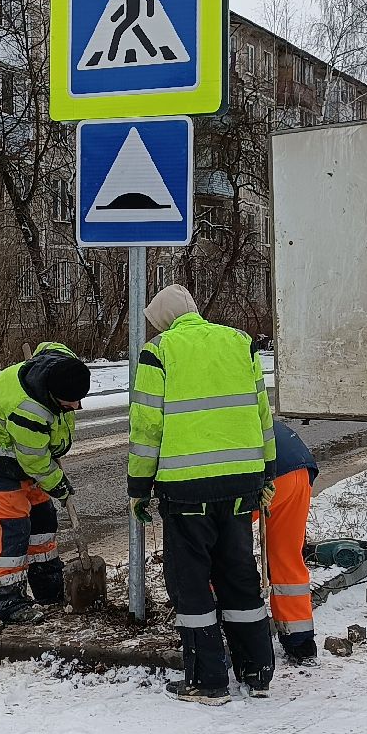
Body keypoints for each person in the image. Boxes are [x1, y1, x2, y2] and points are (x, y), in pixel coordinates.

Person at [128, 285, 277, 704]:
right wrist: (266, 473)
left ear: (162, 320)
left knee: (190, 584)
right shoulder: (240, 343)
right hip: (241, 485)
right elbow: (262, 413)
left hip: (186, 490)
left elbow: (146, 429)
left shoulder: (159, 352)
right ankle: (257, 671)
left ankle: (209, 681)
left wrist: (139, 489)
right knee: (239, 574)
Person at [0, 342, 90, 624]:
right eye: (70, 403)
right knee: (13, 531)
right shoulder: (28, 411)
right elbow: (34, 461)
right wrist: (58, 484)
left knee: (43, 522)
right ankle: (10, 602)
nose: (76, 407)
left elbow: (49, 346)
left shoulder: (63, 365)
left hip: (30, 460)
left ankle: (48, 590)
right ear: (51, 395)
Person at [259, 421, 320, 666]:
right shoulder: (243, 407)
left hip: (267, 475)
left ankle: (227, 627)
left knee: (220, 548)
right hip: (299, 468)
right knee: (286, 556)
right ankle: (301, 642)